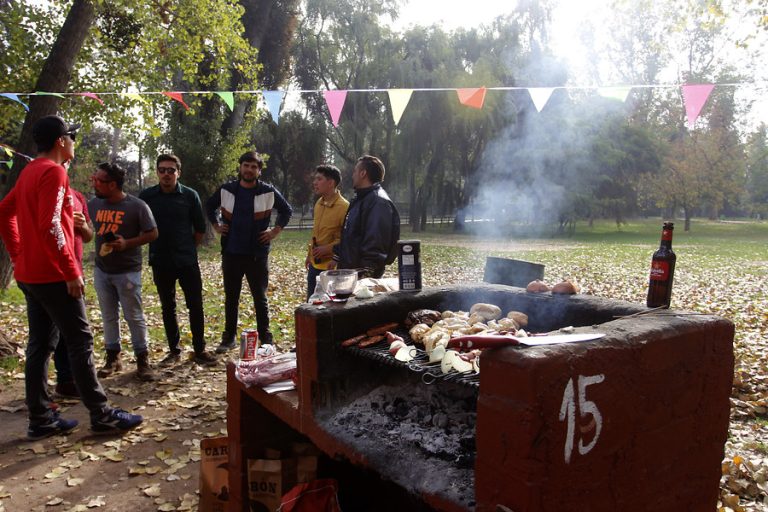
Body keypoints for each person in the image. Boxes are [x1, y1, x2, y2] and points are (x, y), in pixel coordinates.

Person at [0, 115, 143, 438]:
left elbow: (4, 214)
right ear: (61, 141)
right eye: (72, 137)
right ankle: (101, 413)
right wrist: (69, 270)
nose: (74, 143)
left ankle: (40, 417)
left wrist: (19, 255)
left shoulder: (29, 172)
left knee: (41, 343)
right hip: (52, 276)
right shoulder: (52, 171)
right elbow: (50, 227)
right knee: (80, 341)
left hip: (30, 275)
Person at [205, 151, 292, 352]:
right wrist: (216, 225)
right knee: (231, 298)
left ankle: (266, 339)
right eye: (246, 165)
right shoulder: (227, 190)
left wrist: (275, 230)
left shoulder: (268, 191)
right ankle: (228, 339)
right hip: (231, 253)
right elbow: (209, 206)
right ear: (240, 167)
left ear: (259, 171)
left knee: (260, 298)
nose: (249, 169)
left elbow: (286, 210)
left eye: (254, 167)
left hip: (257, 255)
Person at [139, 154, 217, 366]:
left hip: (187, 260)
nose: (166, 174)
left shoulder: (190, 195)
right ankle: (174, 351)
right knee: (168, 307)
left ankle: (200, 350)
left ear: (178, 172)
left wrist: (188, 247)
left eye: (171, 170)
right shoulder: (147, 197)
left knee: (196, 305)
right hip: (160, 260)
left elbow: (200, 229)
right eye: (162, 170)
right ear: (157, 172)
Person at [88, 162, 158, 381]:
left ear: (113, 185)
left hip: (127, 271)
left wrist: (126, 243)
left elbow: (153, 233)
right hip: (102, 270)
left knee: (134, 316)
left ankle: (142, 360)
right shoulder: (94, 204)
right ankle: (113, 358)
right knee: (108, 316)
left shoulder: (137, 206)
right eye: (94, 179)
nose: (95, 183)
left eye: (100, 180)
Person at [51, 173, 93, 398]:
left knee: (78, 331)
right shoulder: (47, 195)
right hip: (55, 274)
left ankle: (75, 380)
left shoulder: (78, 197)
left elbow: (88, 236)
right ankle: (66, 379)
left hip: (76, 271)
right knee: (58, 333)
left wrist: (83, 225)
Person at [332, 155, 400, 278]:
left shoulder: (378, 202)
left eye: (355, 171)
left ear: (363, 173)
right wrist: (337, 257)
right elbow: (350, 234)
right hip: (350, 274)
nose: (353, 175)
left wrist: (366, 276)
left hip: (362, 278)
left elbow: (375, 244)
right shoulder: (359, 200)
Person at [305, 165, 349, 300]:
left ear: (331, 183)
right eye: (315, 179)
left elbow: (348, 239)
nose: (315, 182)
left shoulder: (344, 207)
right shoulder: (319, 203)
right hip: (314, 264)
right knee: (311, 303)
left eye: (319, 179)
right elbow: (316, 232)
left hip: (332, 268)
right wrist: (309, 254)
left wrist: (329, 250)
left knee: (330, 307)